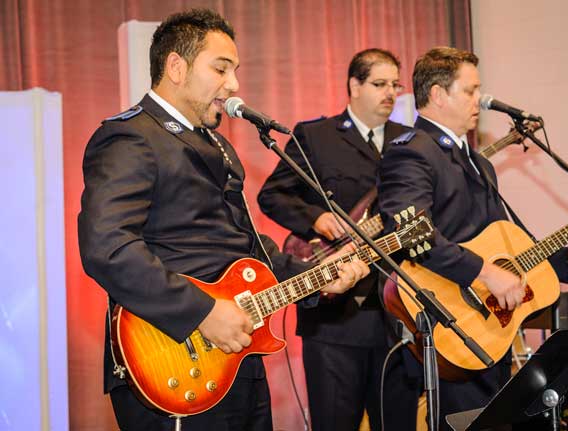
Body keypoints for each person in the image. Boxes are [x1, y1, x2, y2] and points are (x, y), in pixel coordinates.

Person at [77, 9, 368, 431]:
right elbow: (107, 247)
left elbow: (247, 249)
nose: (233, 85)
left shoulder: (220, 148)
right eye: (220, 68)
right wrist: (202, 312)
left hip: (236, 359)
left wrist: (318, 277)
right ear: (175, 66)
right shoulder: (131, 136)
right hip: (173, 361)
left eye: (235, 71)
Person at [376, 47, 568, 430]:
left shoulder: (477, 163)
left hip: (489, 328)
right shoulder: (411, 152)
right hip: (448, 326)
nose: (479, 99)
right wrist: (484, 273)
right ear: (438, 95)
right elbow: (412, 234)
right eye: (470, 90)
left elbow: (511, 251)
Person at [257, 48, 421, 431]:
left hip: (399, 312)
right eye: (379, 84)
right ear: (354, 85)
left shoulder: (411, 141)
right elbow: (272, 195)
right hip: (334, 317)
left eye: (395, 85)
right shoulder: (315, 136)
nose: (390, 93)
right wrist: (316, 217)